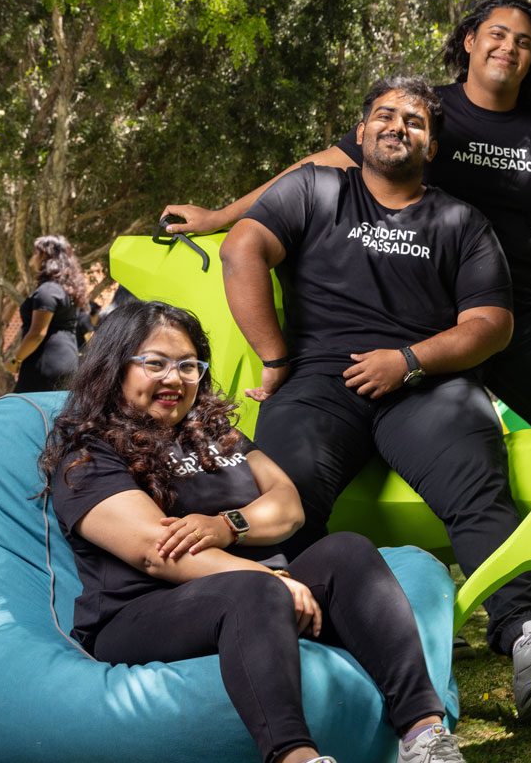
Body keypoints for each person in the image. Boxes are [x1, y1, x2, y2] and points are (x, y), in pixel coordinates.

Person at [219, 76, 531, 723]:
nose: (397, 125)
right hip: (321, 383)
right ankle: (305, 637)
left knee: (478, 493)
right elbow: (242, 250)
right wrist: (276, 358)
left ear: (431, 145)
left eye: (415, 121)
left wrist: (408, 360)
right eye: (384, 115)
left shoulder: (460, 220)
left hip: (426, 385)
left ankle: (525, 638)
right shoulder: (315, 189)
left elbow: (492, 324)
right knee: (276, 504)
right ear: (362, 129)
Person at [163, 0, 531, 433]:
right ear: (470, 41)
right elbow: (319, 164)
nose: (509, 47)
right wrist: (221, 216)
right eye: (497, 34)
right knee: (444, 438)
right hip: (424, 317)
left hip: (518, 317)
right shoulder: (423, 115)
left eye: (523, 41)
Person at [41, 299, 465, 763]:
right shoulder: (88, 458)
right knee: (249, 591)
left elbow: (288, 505)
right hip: (141, 613)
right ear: (115, 368)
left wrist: (228, 526)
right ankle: (295, 756)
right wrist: (270, 580)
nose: (174, 378)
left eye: (188, 365)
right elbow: (155, 550)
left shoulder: (213, 433)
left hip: (256, 589)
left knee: (347, 550)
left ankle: (425, 735)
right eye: (155, 363)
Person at [6, 235, 88, 392]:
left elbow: (37, 333)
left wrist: (16, 360)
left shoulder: (47, 291)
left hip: (45, 363)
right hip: (68, 362)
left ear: (44, 255)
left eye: (35, 254)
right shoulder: (68, 291)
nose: (32, 259)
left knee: (25, 411)